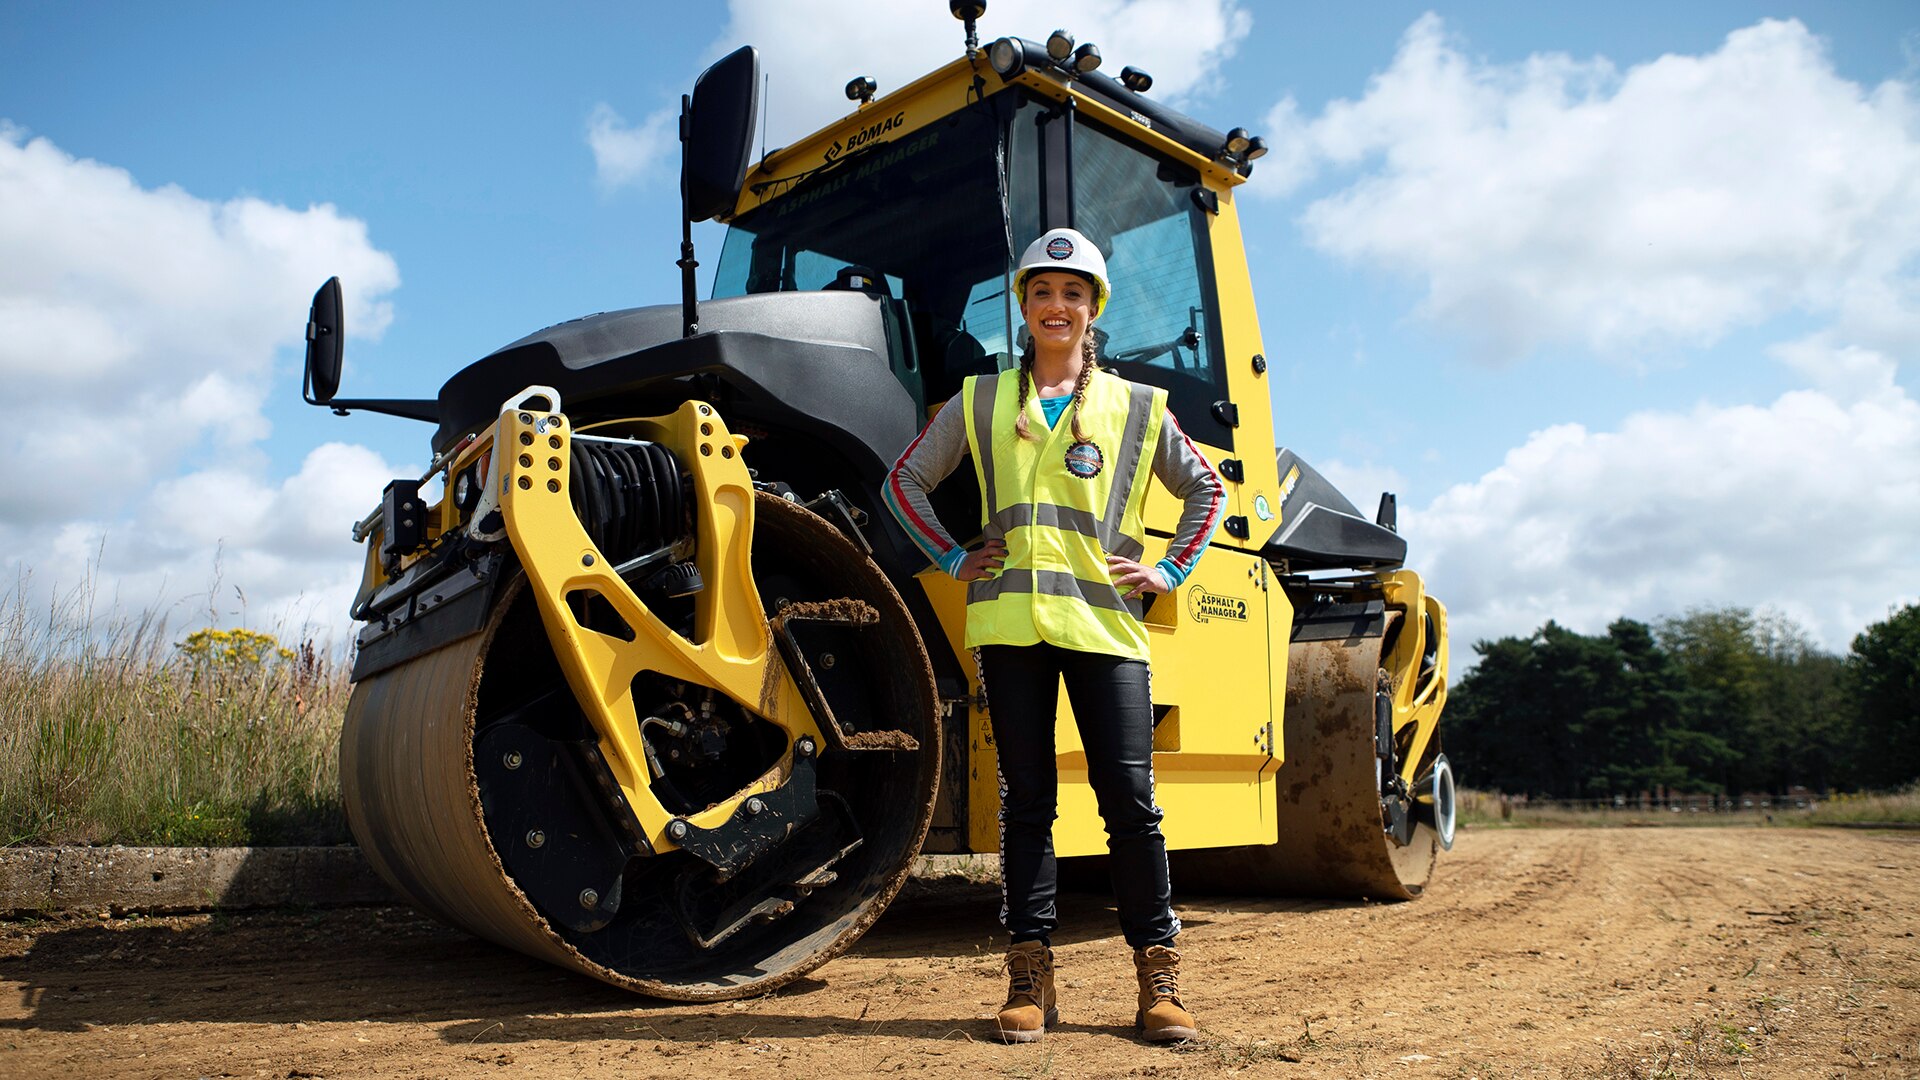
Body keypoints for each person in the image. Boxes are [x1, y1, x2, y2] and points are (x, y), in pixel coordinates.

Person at [882, 227, 1224, 1045]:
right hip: (1010, 626)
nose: (1056, 306)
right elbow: (907, 479)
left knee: (1130, 806)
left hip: (1105, 629)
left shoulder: (1138, 407)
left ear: (1093, 308)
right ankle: (1031, 976)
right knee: (1026, 804)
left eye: (1072, 293)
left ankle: (1158, 977)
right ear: (1023, 306)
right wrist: (953, 556)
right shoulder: (981, 399)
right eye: (1041, 292)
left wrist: (1169, 573)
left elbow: (1204, 492)